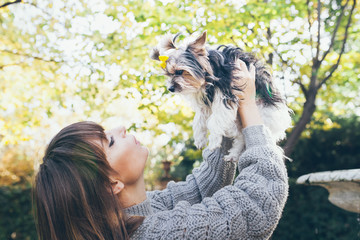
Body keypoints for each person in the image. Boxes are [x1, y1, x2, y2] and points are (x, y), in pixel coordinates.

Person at [33, 59, 288, 240]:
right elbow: (256, 206)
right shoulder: (161, 233)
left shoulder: (134, 215)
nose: (120, 128)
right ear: (112, 184)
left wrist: (223, 107)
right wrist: (248, 107)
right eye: (109, 141)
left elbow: (200, 189)